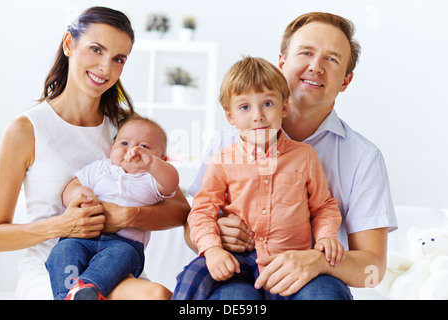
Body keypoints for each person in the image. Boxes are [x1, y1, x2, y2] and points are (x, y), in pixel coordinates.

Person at [184, 12, 397, 299]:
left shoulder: (363, 158)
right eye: (306, 52)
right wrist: (215, 238)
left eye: (332, 59)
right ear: (282, 63)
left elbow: (373, 269)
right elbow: (194, 222)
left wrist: (319, 260)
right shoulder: (225, 144)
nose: (316, 67)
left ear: (346, 81)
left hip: (314, 283)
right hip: (238, 271)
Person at [0, 7, 189, 300]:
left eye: (118, 59)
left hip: (115, 262)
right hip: (54, 266)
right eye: (96, 49)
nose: (105, 67)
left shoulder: (128, 129)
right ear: (68, 44)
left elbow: (179, 210)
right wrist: (61, 226)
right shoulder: (26, 129)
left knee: (158, 296)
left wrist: (128, 216)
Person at [173, 57, 346, 300]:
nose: (258, 116)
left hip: (288, 262)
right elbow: (202, 211)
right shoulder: (222, 160)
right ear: (230, 116)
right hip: (239, 259)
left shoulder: (305, 156)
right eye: (245, 107)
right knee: (192, 274)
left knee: (323, 292)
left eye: (267, 103)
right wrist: (212, 250)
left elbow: (324, 206)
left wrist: (327, 237)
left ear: (284, 107)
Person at [46, 116, 179, 300]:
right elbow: (71, 187)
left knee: (121, 256)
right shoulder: (100, 168)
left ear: (162, 159)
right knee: (63, 251)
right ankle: (67, 296)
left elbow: (171, 182)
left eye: (145, 147)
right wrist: (80, 195)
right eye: (124, 142)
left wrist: (151, 164)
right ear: (112, 147)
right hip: (82, 236)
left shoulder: (152, 180)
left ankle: (89, 288)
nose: (132, 150)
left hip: (124, 244)